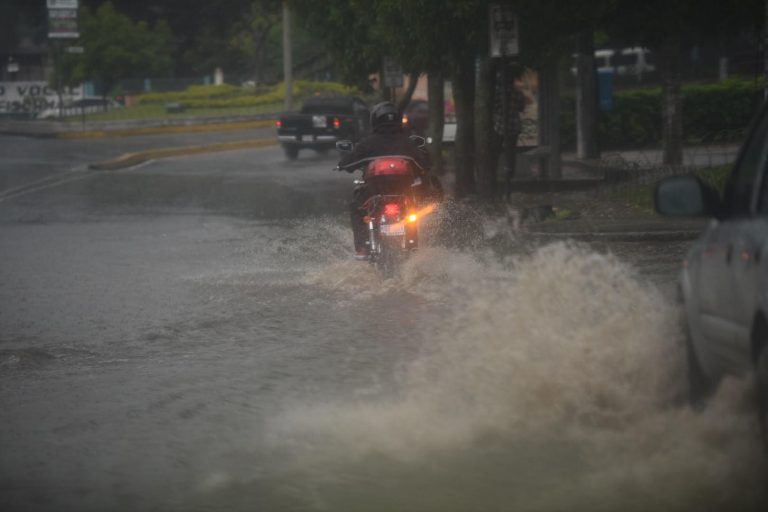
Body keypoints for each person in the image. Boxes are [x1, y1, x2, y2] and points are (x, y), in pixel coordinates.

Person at [337, 101, 432, 260]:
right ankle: (413, 246)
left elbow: (348, 163)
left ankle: (363, 248)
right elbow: (426, 163)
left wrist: (342, 165)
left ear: (374, 120)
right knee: (413, 210)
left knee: (357, 208)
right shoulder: (407, 142)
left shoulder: (368, 143)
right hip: (404, 191)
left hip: (374, 191)